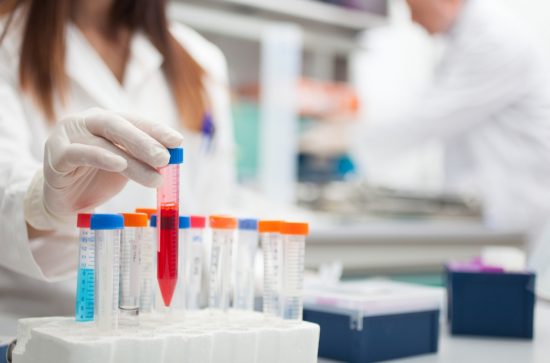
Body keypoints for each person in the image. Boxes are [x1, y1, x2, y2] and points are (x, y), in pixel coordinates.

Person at [0, 0, 235, 333]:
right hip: (42, 337)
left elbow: (211, 210)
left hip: (167, 333)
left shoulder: (200, 60)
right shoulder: (7, 43)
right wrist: (42, 203)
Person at [352, 0, 550, 298]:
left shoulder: (494, 37)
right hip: (500, 209)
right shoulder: (464, 38)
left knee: (520, 311)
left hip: (522, 205)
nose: (413, 20)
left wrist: (350, 136)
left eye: (414, 9)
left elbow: (434, 116)